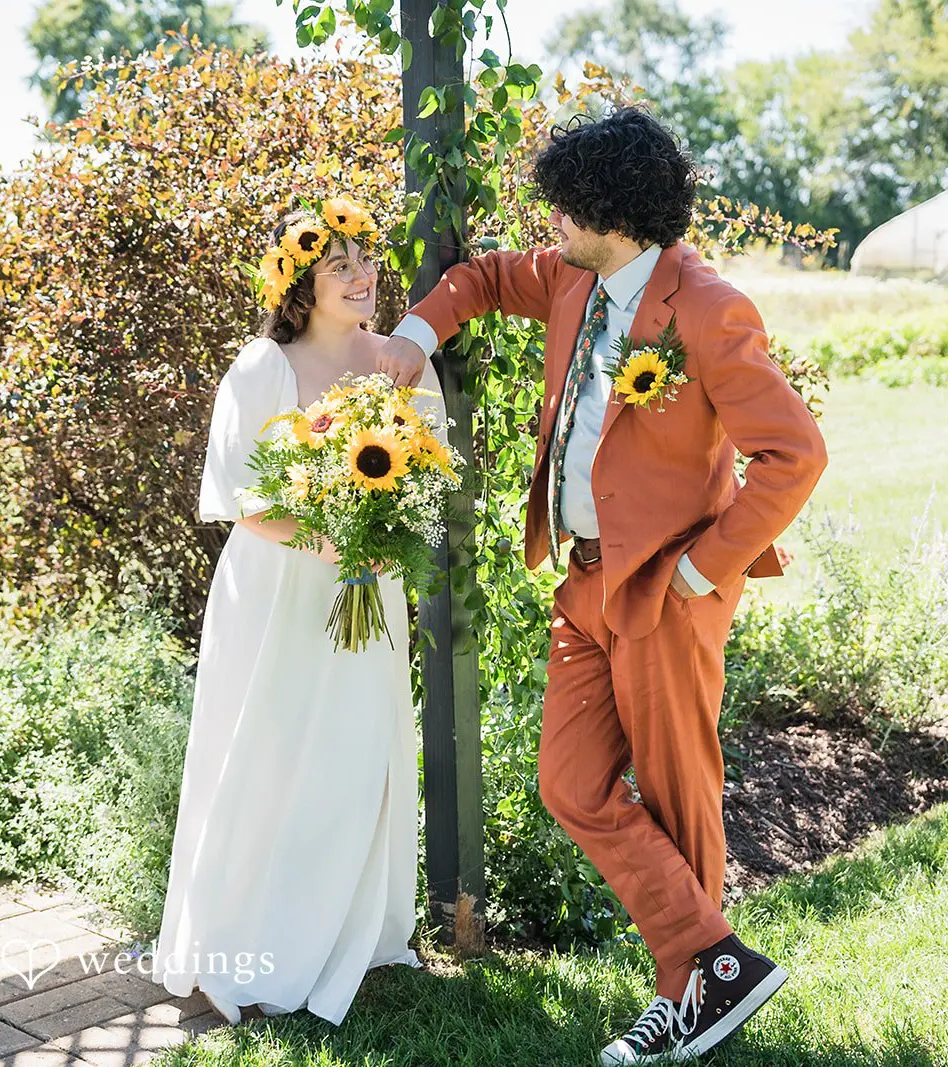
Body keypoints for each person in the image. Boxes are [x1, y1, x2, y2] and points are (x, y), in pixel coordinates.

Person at [378, 108, 829, 1063]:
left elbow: (794, 454)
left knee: (674, 790)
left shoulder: (707, 308)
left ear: (608, 210)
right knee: (570, 783)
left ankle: (687, 994)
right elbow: (483, 277)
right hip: (582, 578)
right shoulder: (573, 277)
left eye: (562, 206)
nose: (550, 222)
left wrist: (705, 570)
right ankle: (717, 965)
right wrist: (417, 334)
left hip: (667, 587)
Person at [151, 199, 439, 1027]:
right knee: (268, 753)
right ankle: (256, 937)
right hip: (277, 592)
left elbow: (425, 474)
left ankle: (353, 930)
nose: (362, 276)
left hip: (366, 588)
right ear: (301, 287)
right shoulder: (261, 368)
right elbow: (239, 497)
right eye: (338, 265)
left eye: (366, 259)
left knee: (355, 752)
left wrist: (384, 539)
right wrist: (330, 543)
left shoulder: (396, 362)